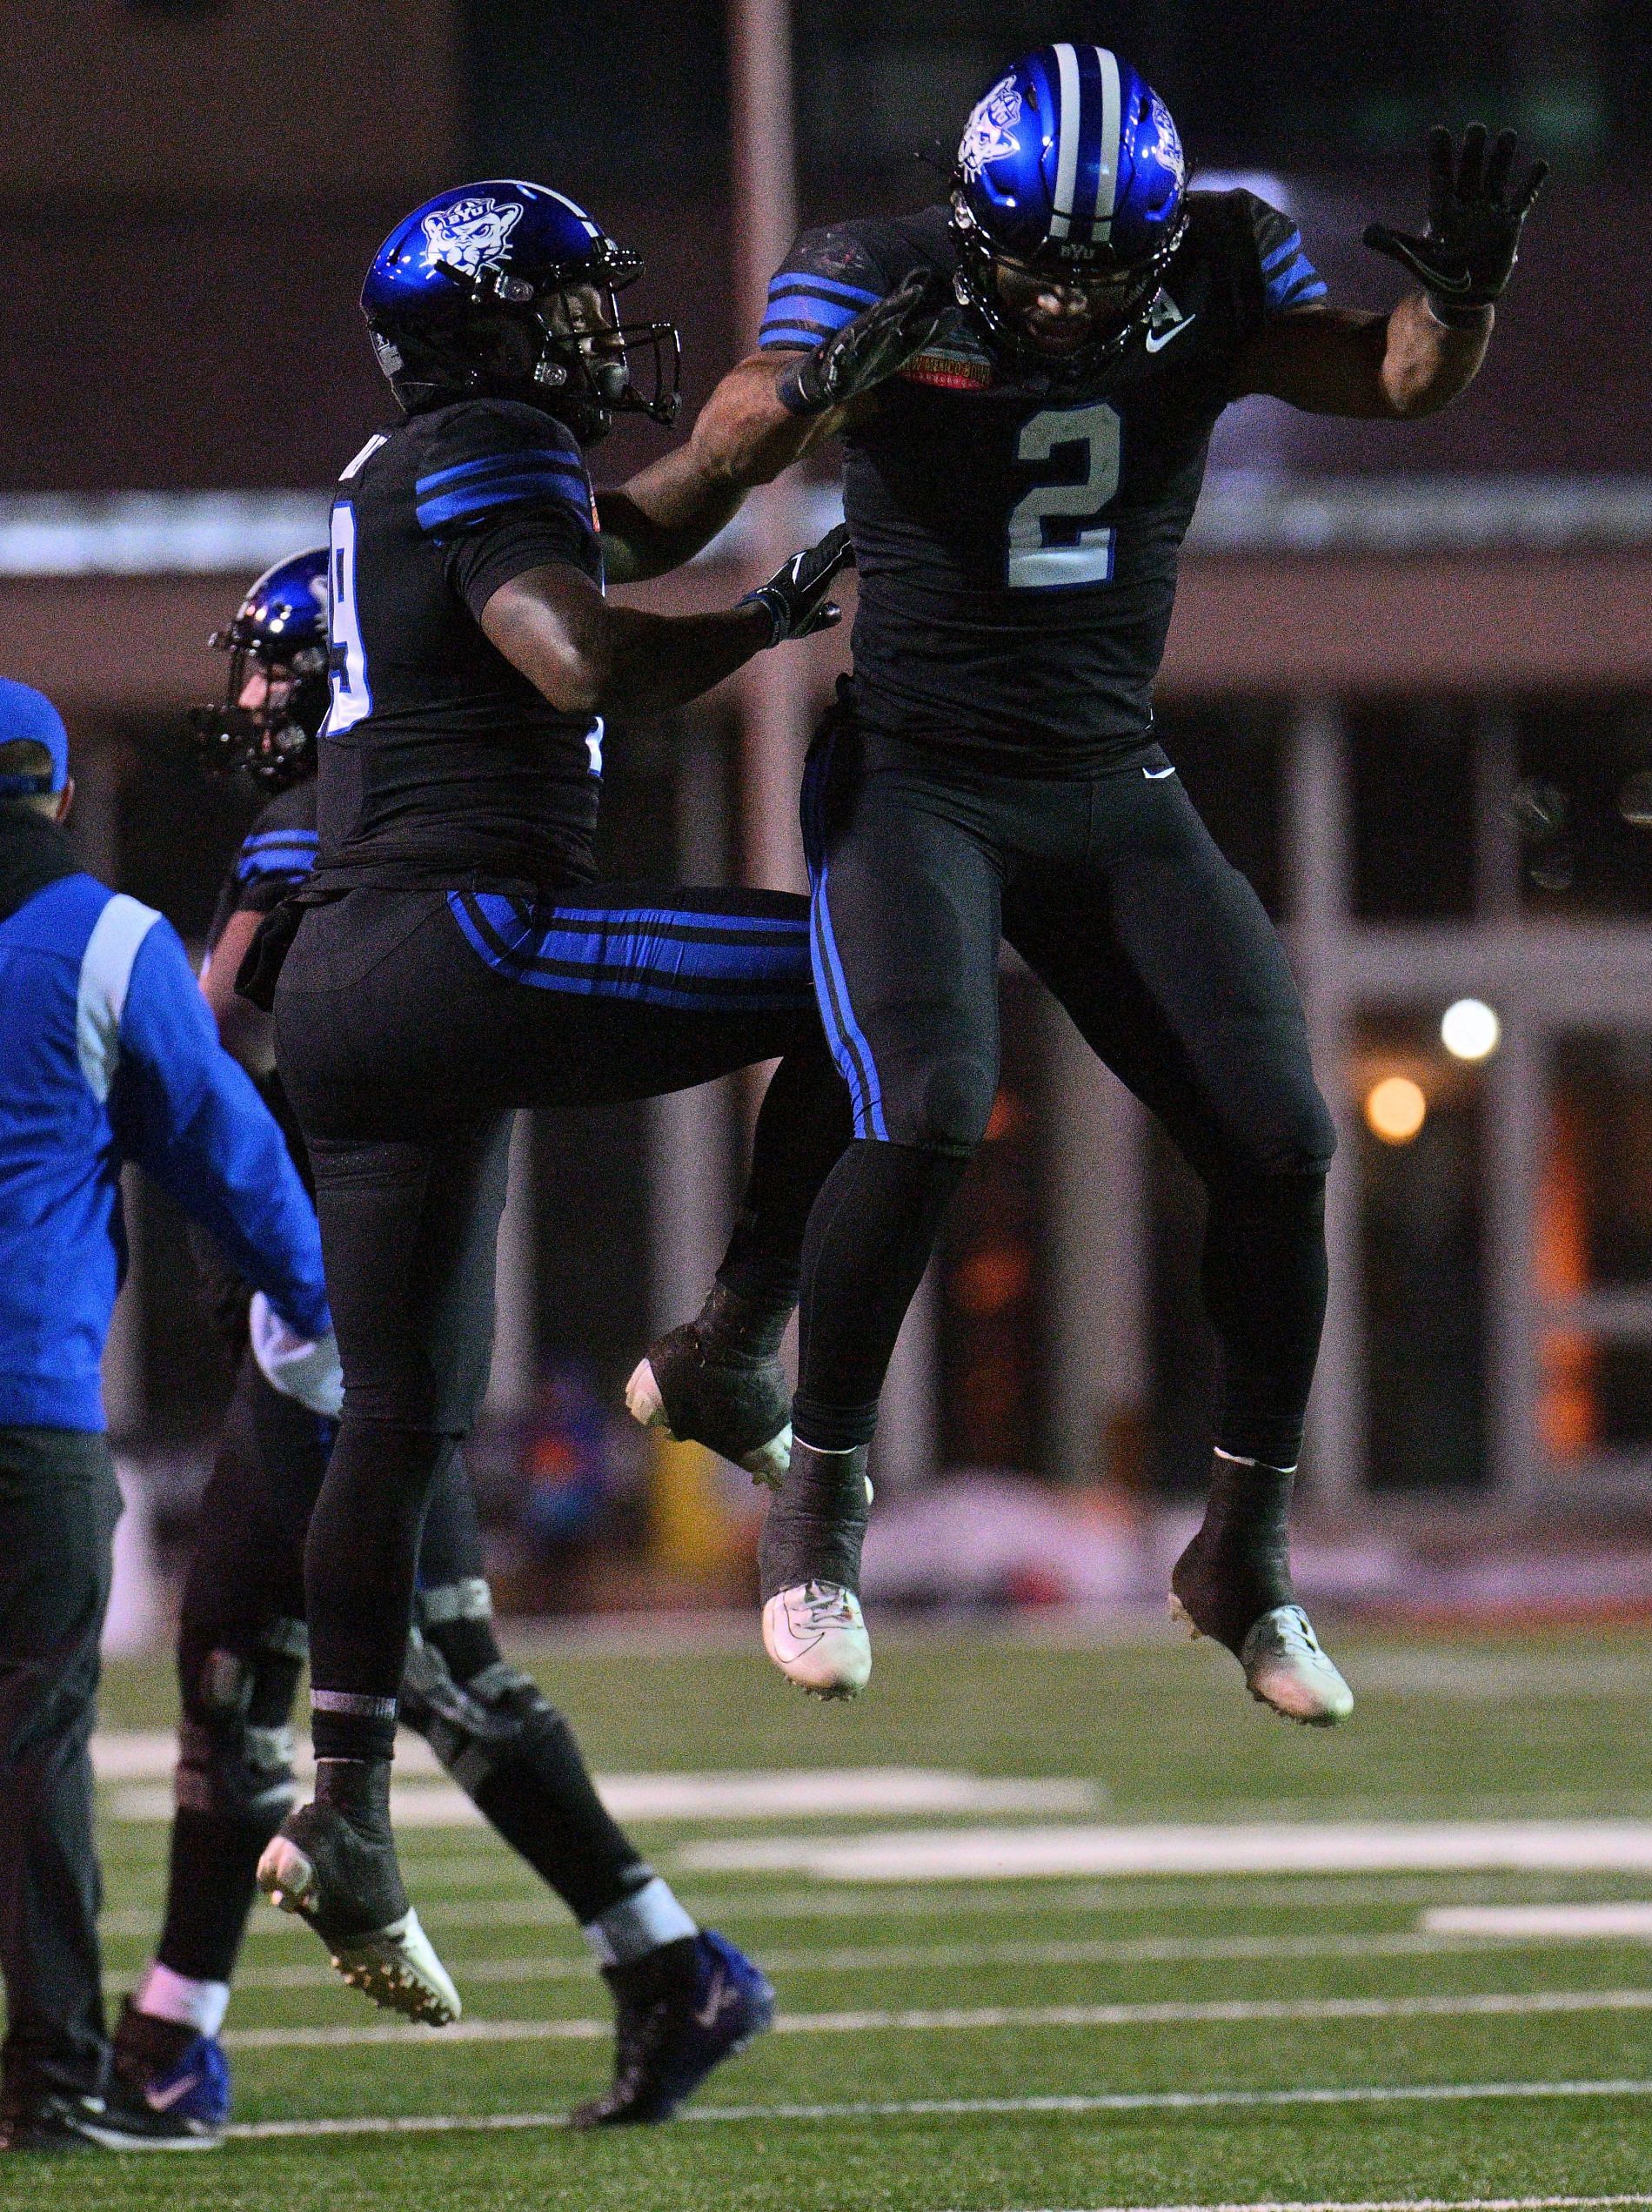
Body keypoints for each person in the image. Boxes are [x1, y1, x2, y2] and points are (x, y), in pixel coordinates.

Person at [670, 50, 1547, 1706]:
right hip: (920, 771)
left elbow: (1399, 377)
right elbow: (727, 442)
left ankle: (1244, 1552)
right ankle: (822, 1509)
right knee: (927, 1100)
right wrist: (810, 393)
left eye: (1101, 269)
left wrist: (1468, 295)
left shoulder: (1216, 255)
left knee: (1284, 1138)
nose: (1066, 304)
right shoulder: (881, 272)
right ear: (971, 217)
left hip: (1106, 775)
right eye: (1036, 262)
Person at [249, 180, 859, 2028]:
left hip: (346, 998)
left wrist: (793, 426)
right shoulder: (487, 441)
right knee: (870, 973)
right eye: (578, 306)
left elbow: (635, 513)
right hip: (465, 937)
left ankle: (343, 1801)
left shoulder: (417, 461)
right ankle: (743, 1340)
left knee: (403, 1422)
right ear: (499, 327)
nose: (604, 336)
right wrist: (754, 630)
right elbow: (579, 647)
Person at [110, 554, 779, 2134]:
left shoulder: (322, 829)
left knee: (265, 1672)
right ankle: (664, 1961)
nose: (261, 698)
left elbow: (208, 1030)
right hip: (338, 1322)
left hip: (328, 1326)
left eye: (283, 666)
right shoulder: (370, 822)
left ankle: (166, 2045)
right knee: (413, 1675)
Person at [0, 679, 339, 2154]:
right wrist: (321, 1302)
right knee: (29, 1744)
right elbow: (230, 1151)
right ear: (58, 796)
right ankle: (51, 2078)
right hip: (26, 1412)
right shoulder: (106, 941)